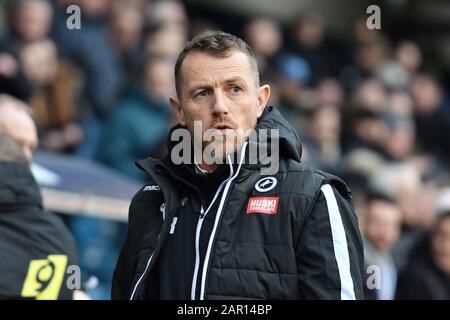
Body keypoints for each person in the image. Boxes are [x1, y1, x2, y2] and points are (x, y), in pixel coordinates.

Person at [112, 31, 364, 300]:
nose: (220, 106)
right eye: (202, 93)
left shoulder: (314, 197)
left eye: (234, 89)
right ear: (179, 111)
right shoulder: (150, 201)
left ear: (260, 101)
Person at [0, 95, 83, 300]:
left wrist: (75, 291)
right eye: (17, 143)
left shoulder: (54, 230)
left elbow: (74, 282)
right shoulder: (57, 232)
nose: (26, 156)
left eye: (32, 147)